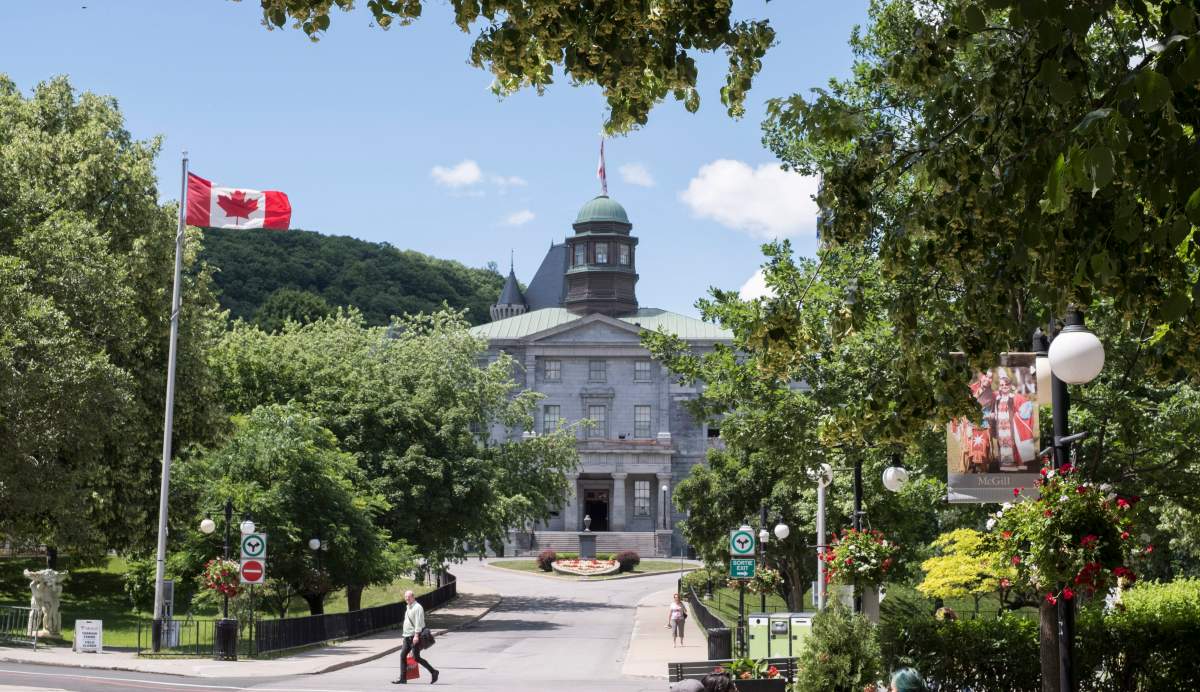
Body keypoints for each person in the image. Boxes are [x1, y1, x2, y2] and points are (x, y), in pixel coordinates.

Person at [393, 590, 439, 685]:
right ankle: (403, 678)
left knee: (416, 658)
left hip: (414, 636)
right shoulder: (408, 607)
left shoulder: (418, 607)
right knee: (403, 656)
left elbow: (418, 623)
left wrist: (416, 636)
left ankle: (434, 672)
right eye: (405, 597)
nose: (407, 599)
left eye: (408, 597)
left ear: (413, 597)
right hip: (407, 636)